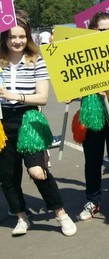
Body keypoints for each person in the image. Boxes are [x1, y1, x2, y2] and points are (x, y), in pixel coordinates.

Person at [0, 13, 77, 237]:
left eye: (22, 36)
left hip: (28, 120)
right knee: (7, 176)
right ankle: (22, 217)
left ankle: (61, 214)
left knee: (37, 172)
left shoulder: (36, 60)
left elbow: (42, 97)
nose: (17, 41)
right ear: (4, 37)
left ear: (28, 37)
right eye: (12, 36)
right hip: (3, 123)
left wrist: (16, 96)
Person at [78, 12, 109, 225]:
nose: (106, 34)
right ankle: (92, 200)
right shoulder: (83, 54)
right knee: (92, 161)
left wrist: (104, 92)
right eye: (101, 30)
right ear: (93, 32)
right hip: (91, 116)